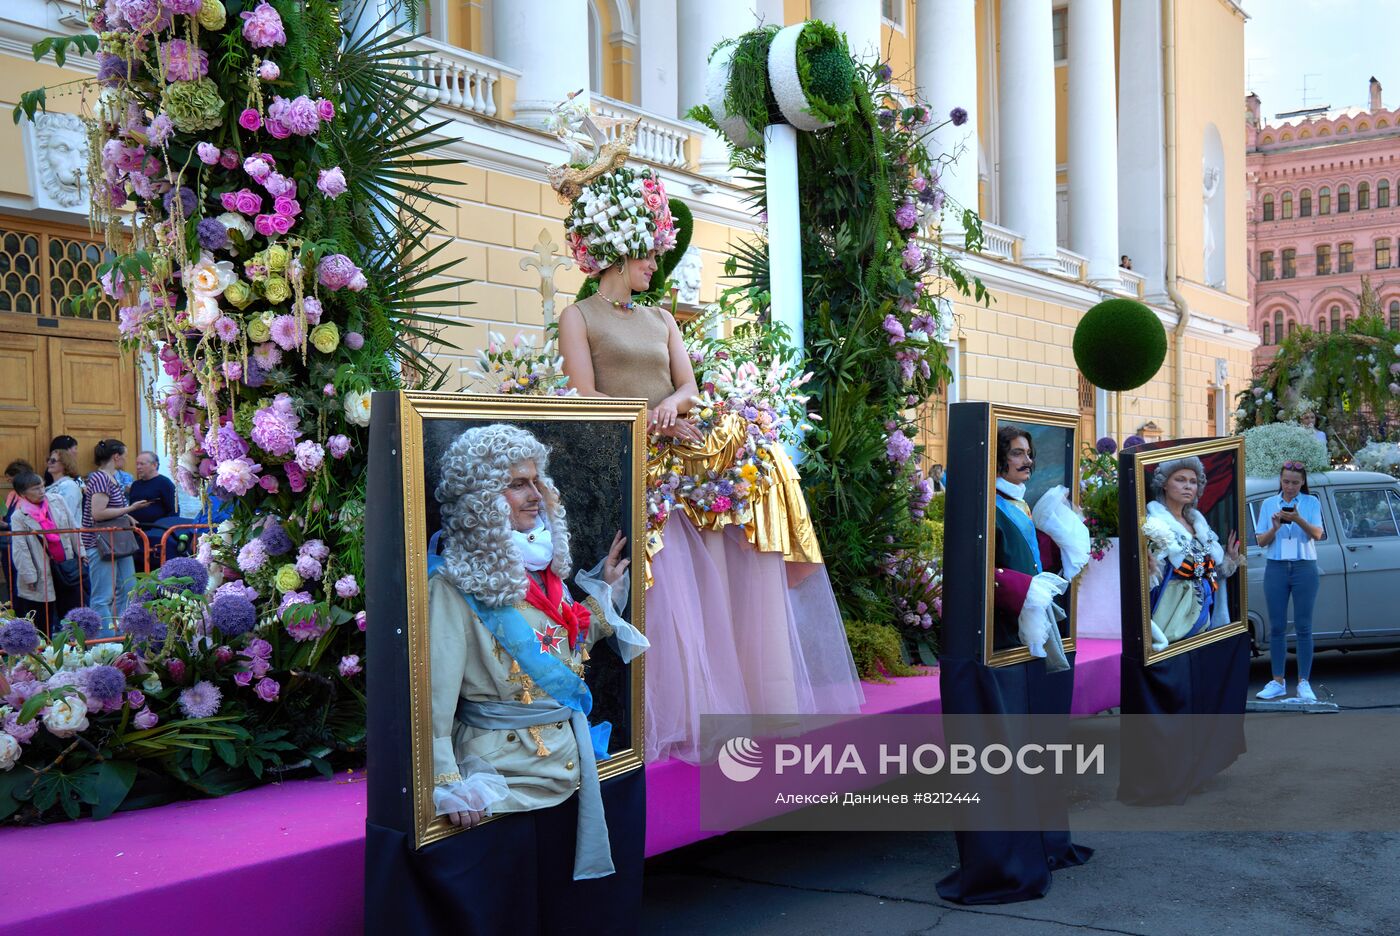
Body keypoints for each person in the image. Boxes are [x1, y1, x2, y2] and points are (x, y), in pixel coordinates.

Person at [553, 111, 864, 763]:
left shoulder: (662, 316)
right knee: (715, 496)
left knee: (758, 451)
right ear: (622, 243)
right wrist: (649, 415)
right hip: (629, 448)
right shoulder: (576, 316)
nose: (657, 261)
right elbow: (583, 399)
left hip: (676, 439)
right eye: (651, 249)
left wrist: (673, 406)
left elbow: (690, 385)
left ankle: (757, 658)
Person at [428, 425, 645, 892]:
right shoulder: (451, 584)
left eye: (536, 481)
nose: (536, 495)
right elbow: (433, 697)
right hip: (500, 780)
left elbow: (563, 651)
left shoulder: (541, 568)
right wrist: (446, 780)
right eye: (517, 484)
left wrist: (605, 592)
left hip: (567, 765)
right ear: (481, 497)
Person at [991, 426, 1091, 668]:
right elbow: (981, 568)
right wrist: (1024, 588)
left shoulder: (1018, 500)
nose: (1027, 461)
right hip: (1000, 626)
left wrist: (1064, 538)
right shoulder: (989, 504)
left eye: (1028, 453)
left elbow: (1031, 557)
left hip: (1023, 618)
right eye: (1017, 453)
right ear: (997, 457)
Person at [1140, 456, 1241, 650]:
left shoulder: (1199, 524)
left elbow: (1207, 571)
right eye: (1180, 479)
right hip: (1171, 612)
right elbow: (1150, 579)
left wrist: (1229, 561)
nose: (1188, 486)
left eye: (1193, 482)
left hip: (1204, 610)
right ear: (1164, 485)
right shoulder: (1154, 524)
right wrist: (1150, 568)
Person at [1253, 460, 1324, 702]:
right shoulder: (1269, 503)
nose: (1290, 487)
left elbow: (1317, 534)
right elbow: (1261, 541)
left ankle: (1304, 681)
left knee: (1304, 627)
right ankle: (1278, 681)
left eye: (1295, 482)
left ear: (1302, 482)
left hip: (1305, 567)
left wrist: (1298, 519)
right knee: (1277, 627)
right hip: (1276, 567)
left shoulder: (1311, 502)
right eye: (1286, 481)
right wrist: (1274, 527)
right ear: (1280, 480)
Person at [82, 439, 151, 629]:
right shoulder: (101, 478)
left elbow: (107, 508)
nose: (126, 459)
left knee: (128, 589)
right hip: (101, 543)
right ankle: (103, 640)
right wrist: (130, 508)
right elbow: (98, 513)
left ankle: (122, 634)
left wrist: (127, 515)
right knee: (103, 596)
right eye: (125, 455)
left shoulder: (110, 477)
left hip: (116, 541)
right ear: (116, 456)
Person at [8, 471, 83, 630]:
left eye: (42, 486)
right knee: (43, 617)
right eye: (35, 488)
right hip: (40, 569)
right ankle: (46, 651)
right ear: (22, 493)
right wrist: (29, 576)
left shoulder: (57, 500)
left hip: (65, 563)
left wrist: (81, 552)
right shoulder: (19, 516)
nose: (41, 491)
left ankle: (74, 648)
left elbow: (72, 527)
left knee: (71, 611)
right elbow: (21, 549)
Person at [128, 451, 177, 525]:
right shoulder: (135, 485)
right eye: (137, 464)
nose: (138, 467)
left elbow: (174, 510)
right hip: (135, 529)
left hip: (157, 530)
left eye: (142, 464)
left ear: (154, 465)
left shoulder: (165, 483)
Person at [45, 449, 83, 521]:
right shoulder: (55, 486)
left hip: (66, 530)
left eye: (53, 460)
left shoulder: (69, 486)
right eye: (48, 460)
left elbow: (67, 514)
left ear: (64, 464)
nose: (49, 462)